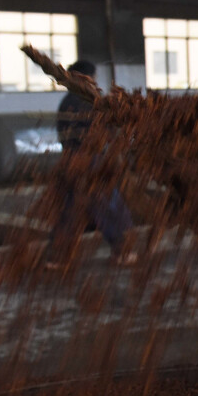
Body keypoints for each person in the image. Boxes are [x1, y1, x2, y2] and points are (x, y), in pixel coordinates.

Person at [50, 59, 135, 267]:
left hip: (69, 160)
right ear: (86, 78)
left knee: (71, 209)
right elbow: (102, 132)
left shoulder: (66, 101)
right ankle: (122, 252)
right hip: (90, 161)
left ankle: (57, 257)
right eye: (94, 78)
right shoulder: (87, 101)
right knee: (108, 205)